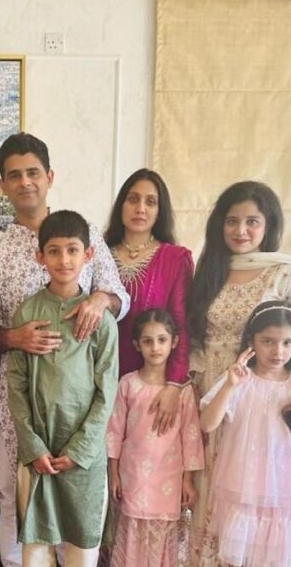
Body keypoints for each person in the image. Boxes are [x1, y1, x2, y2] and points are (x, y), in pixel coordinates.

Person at [0, 132, 130, 567]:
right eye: (14, 175)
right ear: (3, 184)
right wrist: (14, 338)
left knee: (76, 505)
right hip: (25, 406)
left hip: (81, 406)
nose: (25, 182)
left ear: (49, 176)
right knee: (18, 498)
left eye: (33, 172)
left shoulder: (83, 231)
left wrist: (100, 300)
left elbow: (119, 299)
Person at [185, 180, 291, 566]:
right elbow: (195, 337)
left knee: (259, 501)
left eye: (252, 222)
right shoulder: (210, 271)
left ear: (269, 225)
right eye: (232, 221)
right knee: (211, 497)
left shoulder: (288, 273)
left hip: (267, 408)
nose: (240, 231)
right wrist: (191, 391)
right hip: (217, 396)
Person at [6, 210, 119, 567]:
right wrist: (33, 446)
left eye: (72, 250)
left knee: (81, 550)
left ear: (88, 254)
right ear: (40, 256)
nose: (64, 260)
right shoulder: (27, 313)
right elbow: (16, 385)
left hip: (84, 455)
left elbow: (107, 392)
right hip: (39, 451)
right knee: (36, 550)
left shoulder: (101, 321)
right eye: (54, 251)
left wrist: (81, 449)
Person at [199, 301, 291, 567]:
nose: (278, 352)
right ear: (251, 341)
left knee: (280, 555)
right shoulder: (239, 379)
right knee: (244, 553)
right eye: (268, 341)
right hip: (245, 482)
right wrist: (230, 386)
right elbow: (208, 424)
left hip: (288, 485)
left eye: (287, 343)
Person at [106, 309, 203, 567]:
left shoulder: (182, 391)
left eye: (162, 340)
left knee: (162, 539)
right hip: (133, 475)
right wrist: (113, 474)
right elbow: (114, 431)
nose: (155, 347)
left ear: (174, 342)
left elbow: (191, 437)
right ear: (137, 345)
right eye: (147, 341)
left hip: (168, 478)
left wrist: (188, 481)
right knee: (133, 534)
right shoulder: (127, 384)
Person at [104, 168, 194, 434]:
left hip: (152, 384)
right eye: (133, 199)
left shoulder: (175, 259)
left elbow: (182, 325)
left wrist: (174, 385)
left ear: (160, 210)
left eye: (150, 202)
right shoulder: (98, 254)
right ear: (121, 205)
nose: (140, 208)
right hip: (100, 380)